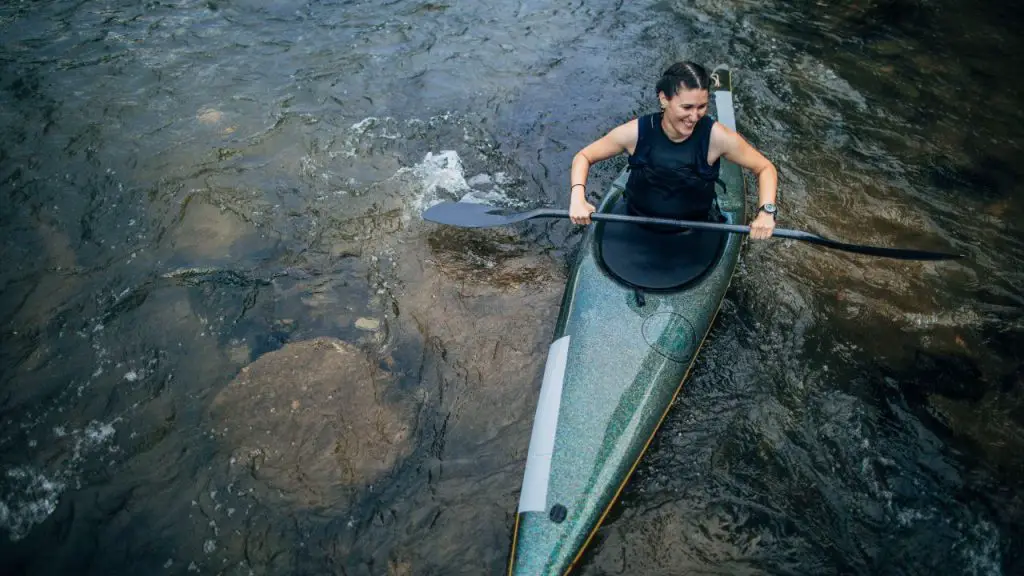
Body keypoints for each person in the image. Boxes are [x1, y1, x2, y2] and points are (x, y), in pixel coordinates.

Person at [568, 62, 778, 240]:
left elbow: (765, 168)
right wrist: (578, 197)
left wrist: (766, 212)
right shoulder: (634, 133)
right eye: (687, 107)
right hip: (634, 221)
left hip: (694, 230)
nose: (695, 117)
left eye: (702, 107)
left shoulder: (718, 138)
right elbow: (584, 156)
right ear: (664, 99)